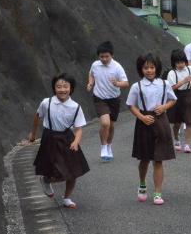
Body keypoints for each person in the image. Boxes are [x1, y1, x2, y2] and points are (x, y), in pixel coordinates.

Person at [28, 73, 89, 209]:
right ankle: (46, 180)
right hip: (49, 137)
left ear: (71, 88)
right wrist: (33, 133)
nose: (62, 90)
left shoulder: (76, 107)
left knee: (74, 171)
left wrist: (76, 142)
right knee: (53, 169)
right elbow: (38, 116)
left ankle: (67, 198)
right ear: (54, 88)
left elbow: (78, 129)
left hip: (67, 138)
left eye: (65, 86)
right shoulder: (46, 103)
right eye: (59, 87)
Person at [126, 53, 177, 205]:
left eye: (152, 67)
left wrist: (164, 107)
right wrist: (141, 117)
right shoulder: (137, 86)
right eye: (145, 67)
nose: (149, 70)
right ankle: (142, 184)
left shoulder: (164, 84)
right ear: (141, 69)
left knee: (159, 159)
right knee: (144, 159)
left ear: (157, 68)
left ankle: (157, 192)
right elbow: (131, 105)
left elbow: (173, 99)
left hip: (161, 121)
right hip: (143, 122)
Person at [87, 41, 129, 162]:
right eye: (101, 57)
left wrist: (117, 83)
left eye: (107, 56)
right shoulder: (95, 65)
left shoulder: (117, 67)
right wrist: (90, 83)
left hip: (114, 99)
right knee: (105, 123)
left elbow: (126, 83)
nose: (104, 59)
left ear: (112, 55)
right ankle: (103, 146)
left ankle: (109, 146)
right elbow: (91, 74)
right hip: (99, 98)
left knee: (111, 126)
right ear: (98, 56)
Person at [166, 49, 191, 153]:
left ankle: (187, 144)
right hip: (177, 97)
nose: (181, 65)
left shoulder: (190, 69)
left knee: (189, 121)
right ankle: (176, 138)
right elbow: (172, 88)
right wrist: (184, 81)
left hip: (189, 95)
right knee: (177, 122)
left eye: (183, 62)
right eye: (178, 63)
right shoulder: (172, 73)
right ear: (174, 63)